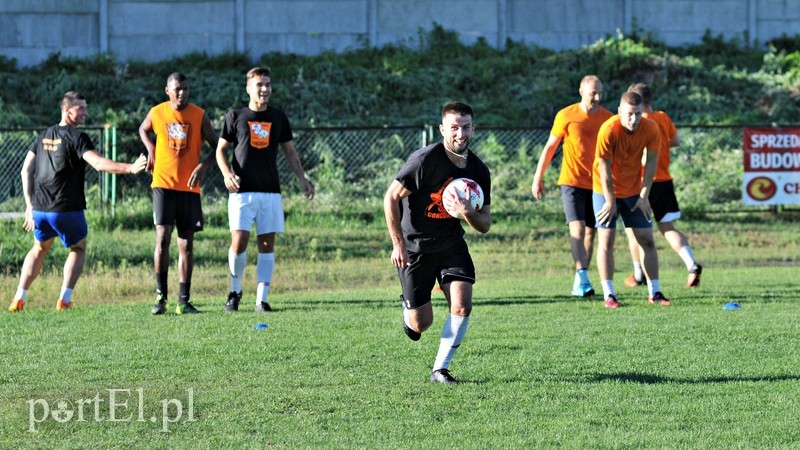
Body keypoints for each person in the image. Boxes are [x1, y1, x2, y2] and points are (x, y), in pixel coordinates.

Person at [8, 91, 147, 312]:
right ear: (66, 109)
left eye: (85, 107)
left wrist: (29, 205)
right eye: (80, 108)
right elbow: (99, 164)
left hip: (40, 210)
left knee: (38, 248)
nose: (85, 112)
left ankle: (18, 298)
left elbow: (26, 170)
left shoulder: (43, 135)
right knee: (78, 248)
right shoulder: (77, 137)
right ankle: (64, 300)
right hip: (66, 209)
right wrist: (130, 168)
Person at [384, 101, 492, 384]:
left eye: (466, 127)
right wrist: (397, 244)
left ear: (473, 128)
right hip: (415, 247)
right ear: (442, 129)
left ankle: (440, 370)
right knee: (421, 324)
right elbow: (391, 198)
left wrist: (467, 211)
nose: (460, 133)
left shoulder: (478, 171)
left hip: (450, 245)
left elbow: (485, 225)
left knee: (462, 305)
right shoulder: (424, 161)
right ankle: (408, 308)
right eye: (454, 127)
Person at [216, 66, 315, 313]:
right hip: (241, 192)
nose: (265, 89)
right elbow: (220, 150)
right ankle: (235, 291)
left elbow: (290, 151)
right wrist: (227, 173)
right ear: (248, 88)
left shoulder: (278, 117)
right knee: (238, 243)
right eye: (259, 85)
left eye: (268, 85)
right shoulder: (235, 116)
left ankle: (261, 299)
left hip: (270, 192)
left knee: (267, 245)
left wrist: (302, 178)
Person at [138, 72, 219, 315]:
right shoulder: (157, 112)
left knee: (186, 244)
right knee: (162, 239)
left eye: (185, 88)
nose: (182, 92)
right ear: (167, 90)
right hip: (163, 184)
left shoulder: (199, 115)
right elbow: (143, 129)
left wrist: (204, 166)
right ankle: (160, 297)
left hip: (189, 188)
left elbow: (219, 145)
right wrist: (150, 146)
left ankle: (183, 301)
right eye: (177, 89)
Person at [531, 75, 613, 298]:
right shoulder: (566, 115)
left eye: (599, 93)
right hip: (571, 182)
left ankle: (581, 279)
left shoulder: (609, 119)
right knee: (577, 229)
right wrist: (538, 177)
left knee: (590, 232)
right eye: (592, 93)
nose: (596, 97)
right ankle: (582, 276)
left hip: (597, 184)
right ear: (581, 92)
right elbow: (550, 147)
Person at [592, 91, 671, 308]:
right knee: (606, 239)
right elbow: (604, 169)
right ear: (620, 112)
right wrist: (610, 201)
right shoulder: (608, 130)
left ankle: (655, 291)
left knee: (647, 239)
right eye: (629, 114)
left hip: (634, 191)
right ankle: (609, 295)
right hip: (604, 190)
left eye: (637, 114)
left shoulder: (650, 128)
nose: (633, 119)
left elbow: (652, 162)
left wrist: (644, 196)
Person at [621, 83, 702, 289]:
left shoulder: (639, 123)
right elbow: (675, 141)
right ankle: (691, 264)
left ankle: (639, 274)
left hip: (642, 183)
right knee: (668, 228)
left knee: (634, 230)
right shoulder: (663, 117)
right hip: (665, 180)